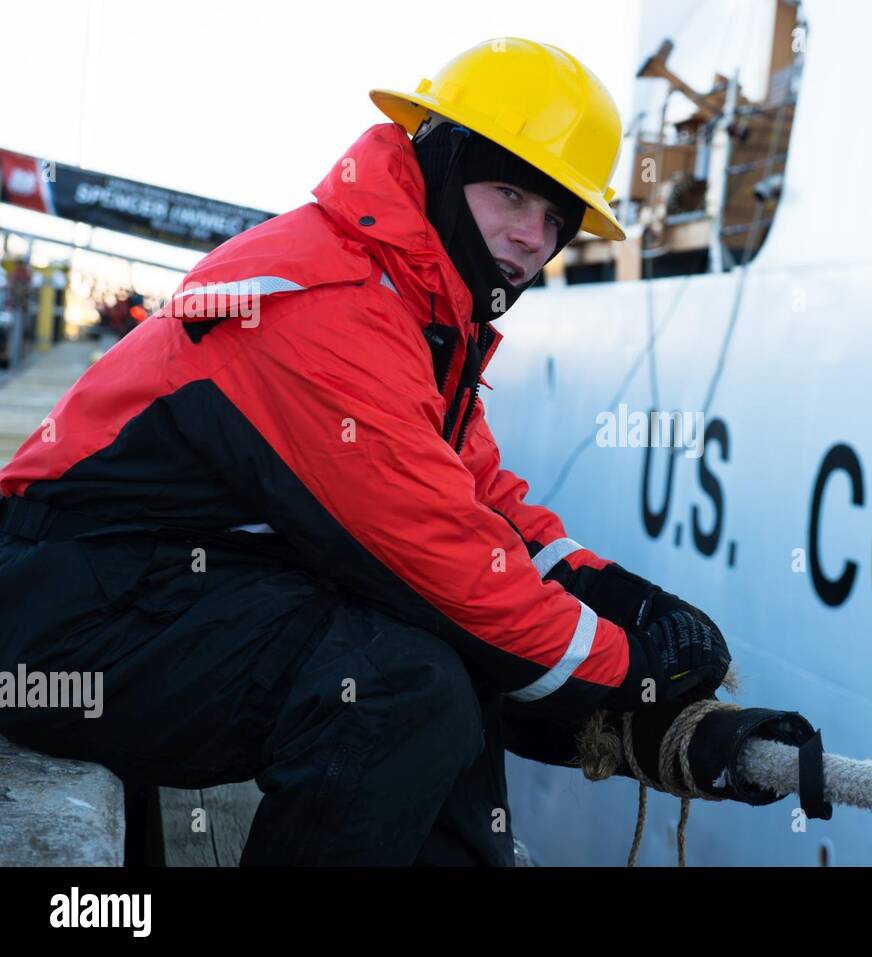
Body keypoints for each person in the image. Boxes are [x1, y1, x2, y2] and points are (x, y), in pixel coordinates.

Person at [0, 37, 732, 866]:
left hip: (142, 584)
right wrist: (636, 672)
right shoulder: (336, 304)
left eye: (556, 220)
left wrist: (628, 599)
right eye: (513, 195)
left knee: (420, 659)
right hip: (58, 612)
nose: (533, 237)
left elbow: (481, 505)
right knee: (400, 687)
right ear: (442, 162)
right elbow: (458, 571)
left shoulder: (415, 304)